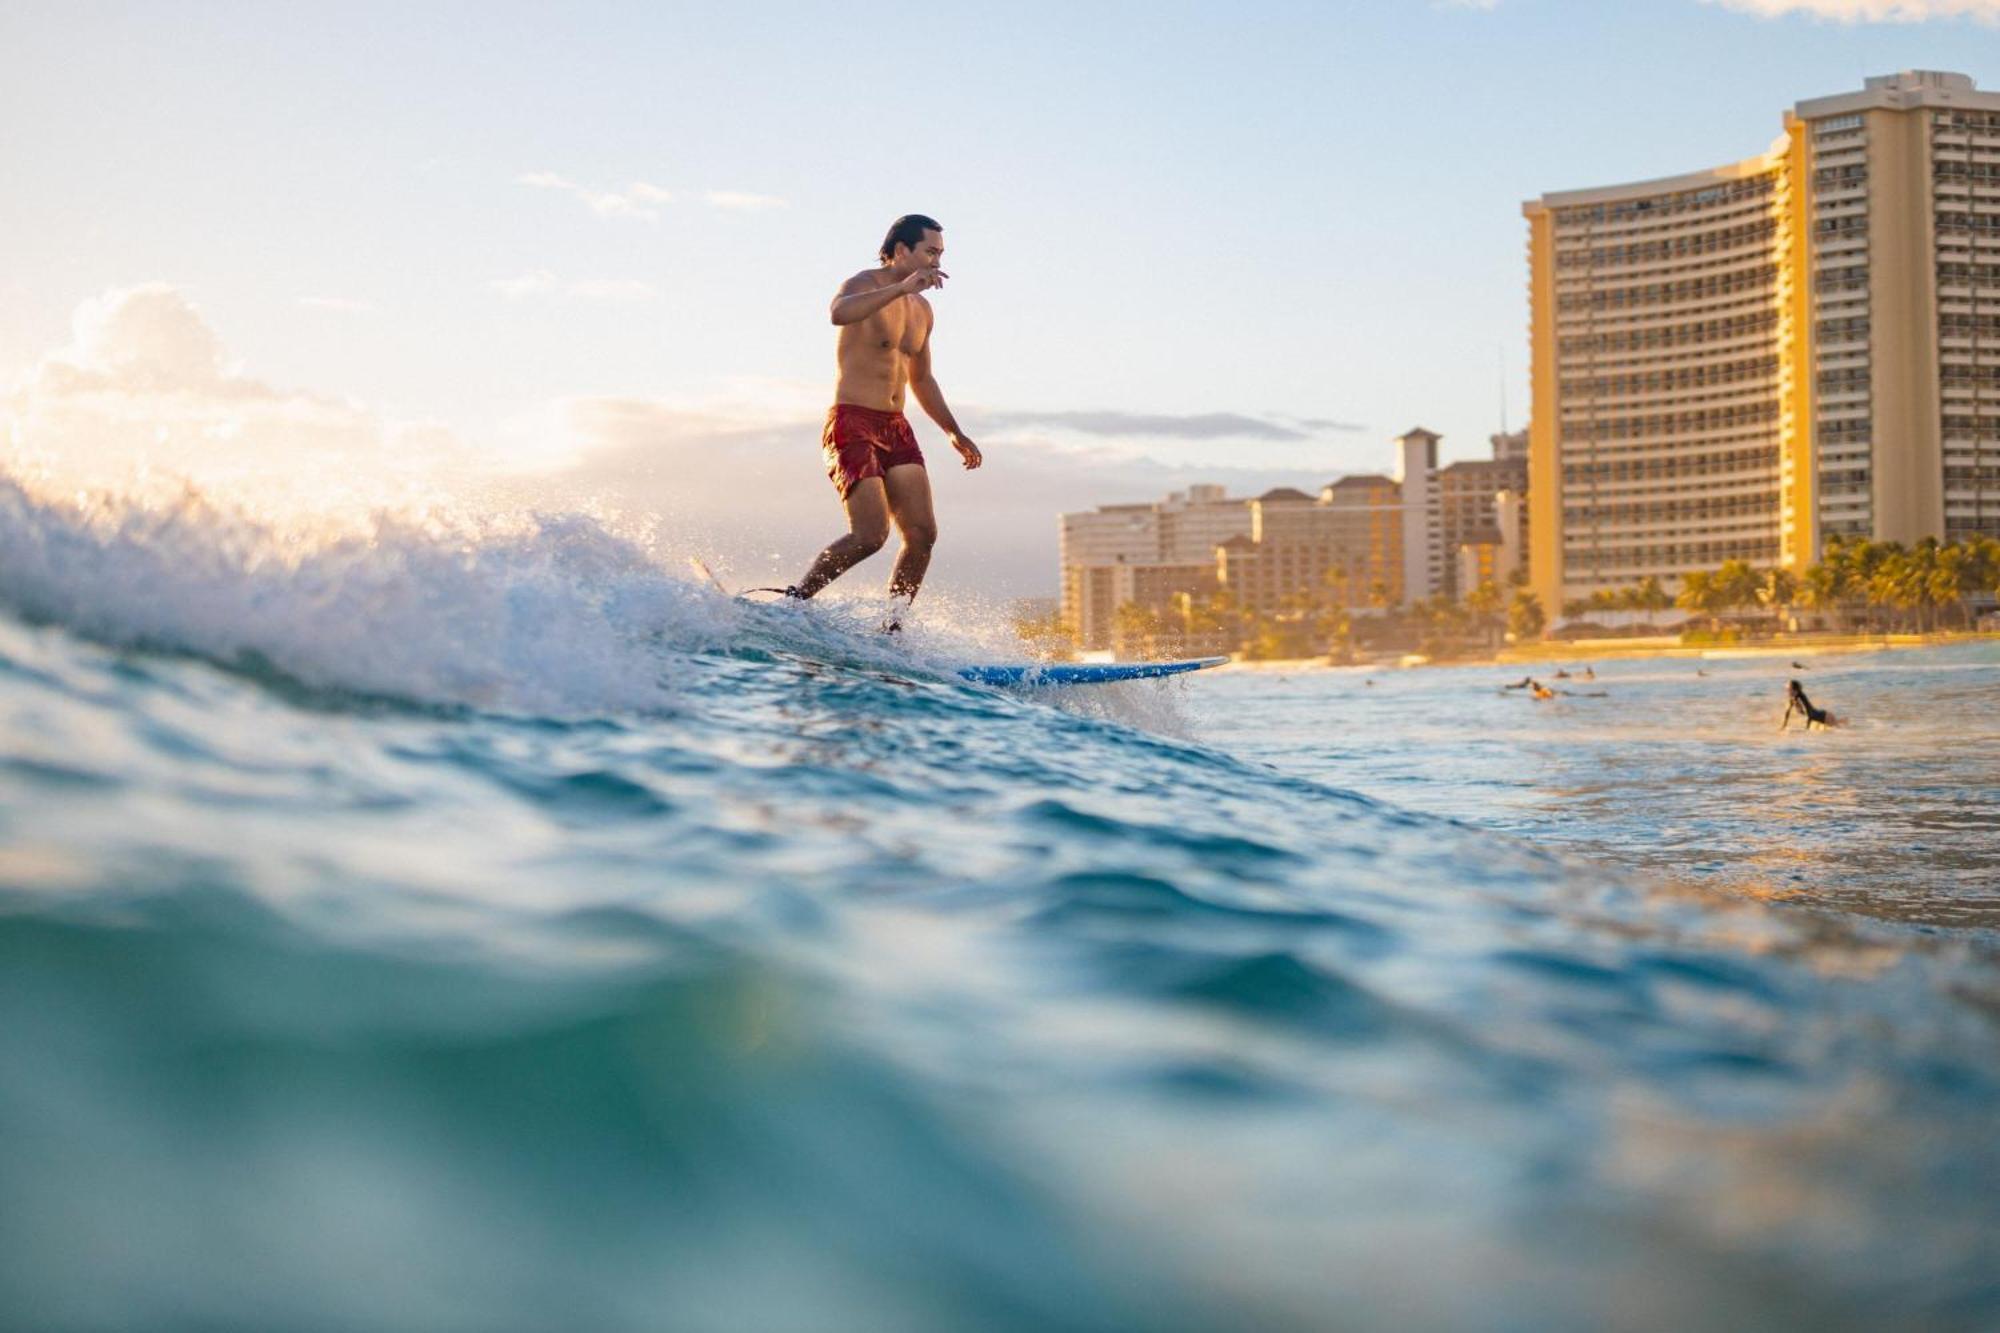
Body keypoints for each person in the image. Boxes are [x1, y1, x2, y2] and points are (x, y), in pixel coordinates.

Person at [782, 214, 982, 623]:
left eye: (940, 254)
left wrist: (954, 432)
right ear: (901, 250)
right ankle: (793, 605)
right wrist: (899, 288)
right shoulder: (863, 284)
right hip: (852, 421)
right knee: (870, 535)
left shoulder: (923, 310)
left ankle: (893, 632)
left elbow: (921, 378)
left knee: (922, 535)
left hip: (896, 426)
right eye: (930, 251)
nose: (936, 261)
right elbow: (838, 313)